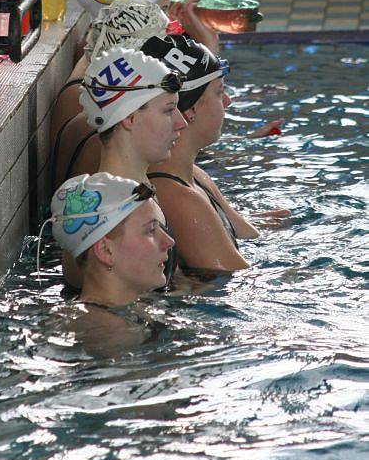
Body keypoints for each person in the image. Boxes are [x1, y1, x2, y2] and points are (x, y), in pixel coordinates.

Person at [142, 34, 287, 275]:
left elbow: (247, 232)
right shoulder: (180, 198)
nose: (228, 101)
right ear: (191, 109)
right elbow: (238, 277)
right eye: (220, 92)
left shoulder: (195, 176)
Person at [62, 47, 187, 290]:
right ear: (129, 118)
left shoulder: (130, 197)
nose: (181, 122)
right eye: (169, 110)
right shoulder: (110, 217)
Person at [50, 0, 175, 145]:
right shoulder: (91, 91)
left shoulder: (98, 64)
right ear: (128, 18)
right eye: (162, 12)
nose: (171, 23)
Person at [49, 172, 174, 355]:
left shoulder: (123, 313)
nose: (169, 241)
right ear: (106, 251)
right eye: (150, 230)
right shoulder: (112, 334)